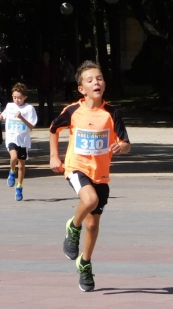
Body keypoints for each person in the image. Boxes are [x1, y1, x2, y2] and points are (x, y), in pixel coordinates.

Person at [49, 61, 131, 292]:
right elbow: (54, 129)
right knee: (90, 200)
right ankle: (73, 228)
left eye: (100, 78)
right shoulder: (73, 111)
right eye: (90, 80)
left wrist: (120, 148)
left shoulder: (111, 113)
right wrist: (54, 157)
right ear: (81, 89)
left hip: (101, 173)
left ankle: (84, 263)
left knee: (93, 224)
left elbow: (126, 143)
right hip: (77, 167)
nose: (96, 82)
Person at [0, 83, 38, 201]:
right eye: (15, 97)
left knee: (22, 164)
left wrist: (21, 118)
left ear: (25, 97)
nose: (17, 100)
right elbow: (2, 115)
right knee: (13, 157)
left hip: (23, 140)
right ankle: (11, 171)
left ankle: (19, 186)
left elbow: (31, 127)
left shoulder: (29, 109)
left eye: (19, 98)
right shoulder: (10, 106)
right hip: (11, 137)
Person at [34, 51, 61, 126]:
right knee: (41, 105)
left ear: (49, 57)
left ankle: (51, 121)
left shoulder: (53, 66)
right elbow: (35, 76)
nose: (45, 58)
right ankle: (40, 121)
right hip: (41, 88)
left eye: (47, 56)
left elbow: (57, 76)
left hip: (50, 88)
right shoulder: (39, 66)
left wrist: (55, 86)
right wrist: (37, 85)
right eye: (44, 56)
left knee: (50, 105)